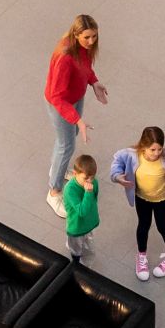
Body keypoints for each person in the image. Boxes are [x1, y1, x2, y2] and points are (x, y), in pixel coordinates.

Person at [44, 14, 107, 215]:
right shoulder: (65, 56)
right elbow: (56, 97)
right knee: (67, 145)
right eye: (87, 37)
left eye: (94, 36)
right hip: (62, 104)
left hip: (74, 99)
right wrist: (77, 120)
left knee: (65, 141)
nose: (91, 41)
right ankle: (54, 192)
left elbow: (86, 68)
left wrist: (94, 82)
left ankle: (57, 171)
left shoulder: (83, 49)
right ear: (76, 34)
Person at [113, 126, 165, 280]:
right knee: (143, 225)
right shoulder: (131, 155)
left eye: (159, 149)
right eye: (152, 149)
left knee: (163, 226)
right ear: (143, 146)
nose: (156, 153)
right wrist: (117, 176)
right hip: (142, 198)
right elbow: (117, 162)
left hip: (163, 200)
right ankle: (141, 257)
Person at [62, 152, 102, 266]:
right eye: (86, 178)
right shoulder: (70, 190)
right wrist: (88, 193)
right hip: (76, 227)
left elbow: (94, 200)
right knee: (76, 249)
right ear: (75, 174)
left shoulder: (94, 182)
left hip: (88, 224)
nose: (90, 181)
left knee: (89, 249)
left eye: (92, 177)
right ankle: (76, 264)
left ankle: (84, 266)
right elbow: (82, 212)